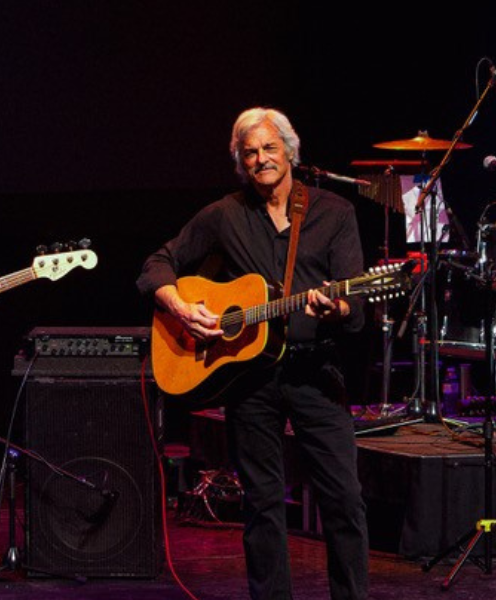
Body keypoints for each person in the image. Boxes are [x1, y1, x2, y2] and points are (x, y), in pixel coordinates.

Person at [138, 107, 369, 599]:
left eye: (269, 148)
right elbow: (158, 263)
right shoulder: (225, 214)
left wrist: (337, 306)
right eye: (250, 152)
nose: (261, 158)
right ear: (241, 162)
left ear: (290, 150)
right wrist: (179, 306)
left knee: (344, 500)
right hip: (250, 379)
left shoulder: (334, 213)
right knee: (262, 505)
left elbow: (357, 308)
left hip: (315, 371)